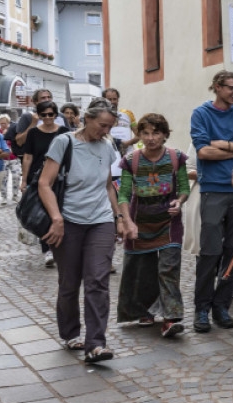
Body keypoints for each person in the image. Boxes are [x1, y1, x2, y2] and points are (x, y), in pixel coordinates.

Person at [38, 98, 123, 363]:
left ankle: (96, 343)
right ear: (87, 119)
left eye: (110, 126)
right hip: (69, 220)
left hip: (100, 220)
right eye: (102, 125)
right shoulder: (65, 142)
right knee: (69, 282)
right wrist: (56, 218)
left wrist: (118, 217)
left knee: (98, 280)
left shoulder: (107, 145)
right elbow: (44, 183)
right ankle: (71, 333)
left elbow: (108, 185)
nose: (106, 131)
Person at [189, 70, 233, 333]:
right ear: (216, 87)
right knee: (210, 252)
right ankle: (201, 308)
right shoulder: (201, 114)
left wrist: (223, 145)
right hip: (213, 190)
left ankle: (221, 306)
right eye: (231, 88)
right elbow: (203, 151)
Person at [117, 113, 190, 338]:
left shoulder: (177, 158)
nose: (150, 138)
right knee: (143, 271)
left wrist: (180, 201)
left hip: (169, 225)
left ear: (165, 135)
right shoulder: (131, 161)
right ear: (139, 135)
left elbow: (184, 187)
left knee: (168, 269)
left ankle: (171, 318)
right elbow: (124, 193)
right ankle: (145, 310)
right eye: (145, 133)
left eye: (156, 133)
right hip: (139, 225)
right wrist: (125, 221)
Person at [20, 100, 69, 267]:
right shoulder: (33, 133)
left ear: (55, 115)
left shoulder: (64, 132)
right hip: (39, 178)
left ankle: (60, 246)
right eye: (44, 115)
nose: (48, 118)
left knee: (60, 210)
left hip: (61, 177)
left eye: (51, 114)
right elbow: (28, 157)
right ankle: (47, 249)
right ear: (39, 115)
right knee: (43, 213)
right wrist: (24, 180)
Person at [104, 87, 139, 153]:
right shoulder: (100, 117)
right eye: (109, 99)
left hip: (128, 155)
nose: (112, 102)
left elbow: (139, 135)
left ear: (118, 100)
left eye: (114, 99)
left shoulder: (128, 114)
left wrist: (127, 143)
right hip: (109, 154)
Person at [0, 113, 22, 202]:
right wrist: (3, 136)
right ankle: (4, 197)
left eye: (5, 123)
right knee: (3, 178)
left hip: (14, 158)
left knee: (16, 176)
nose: (4, 125)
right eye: (2, 123)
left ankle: (15, 195)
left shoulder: (12, 130)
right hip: (2, 159)